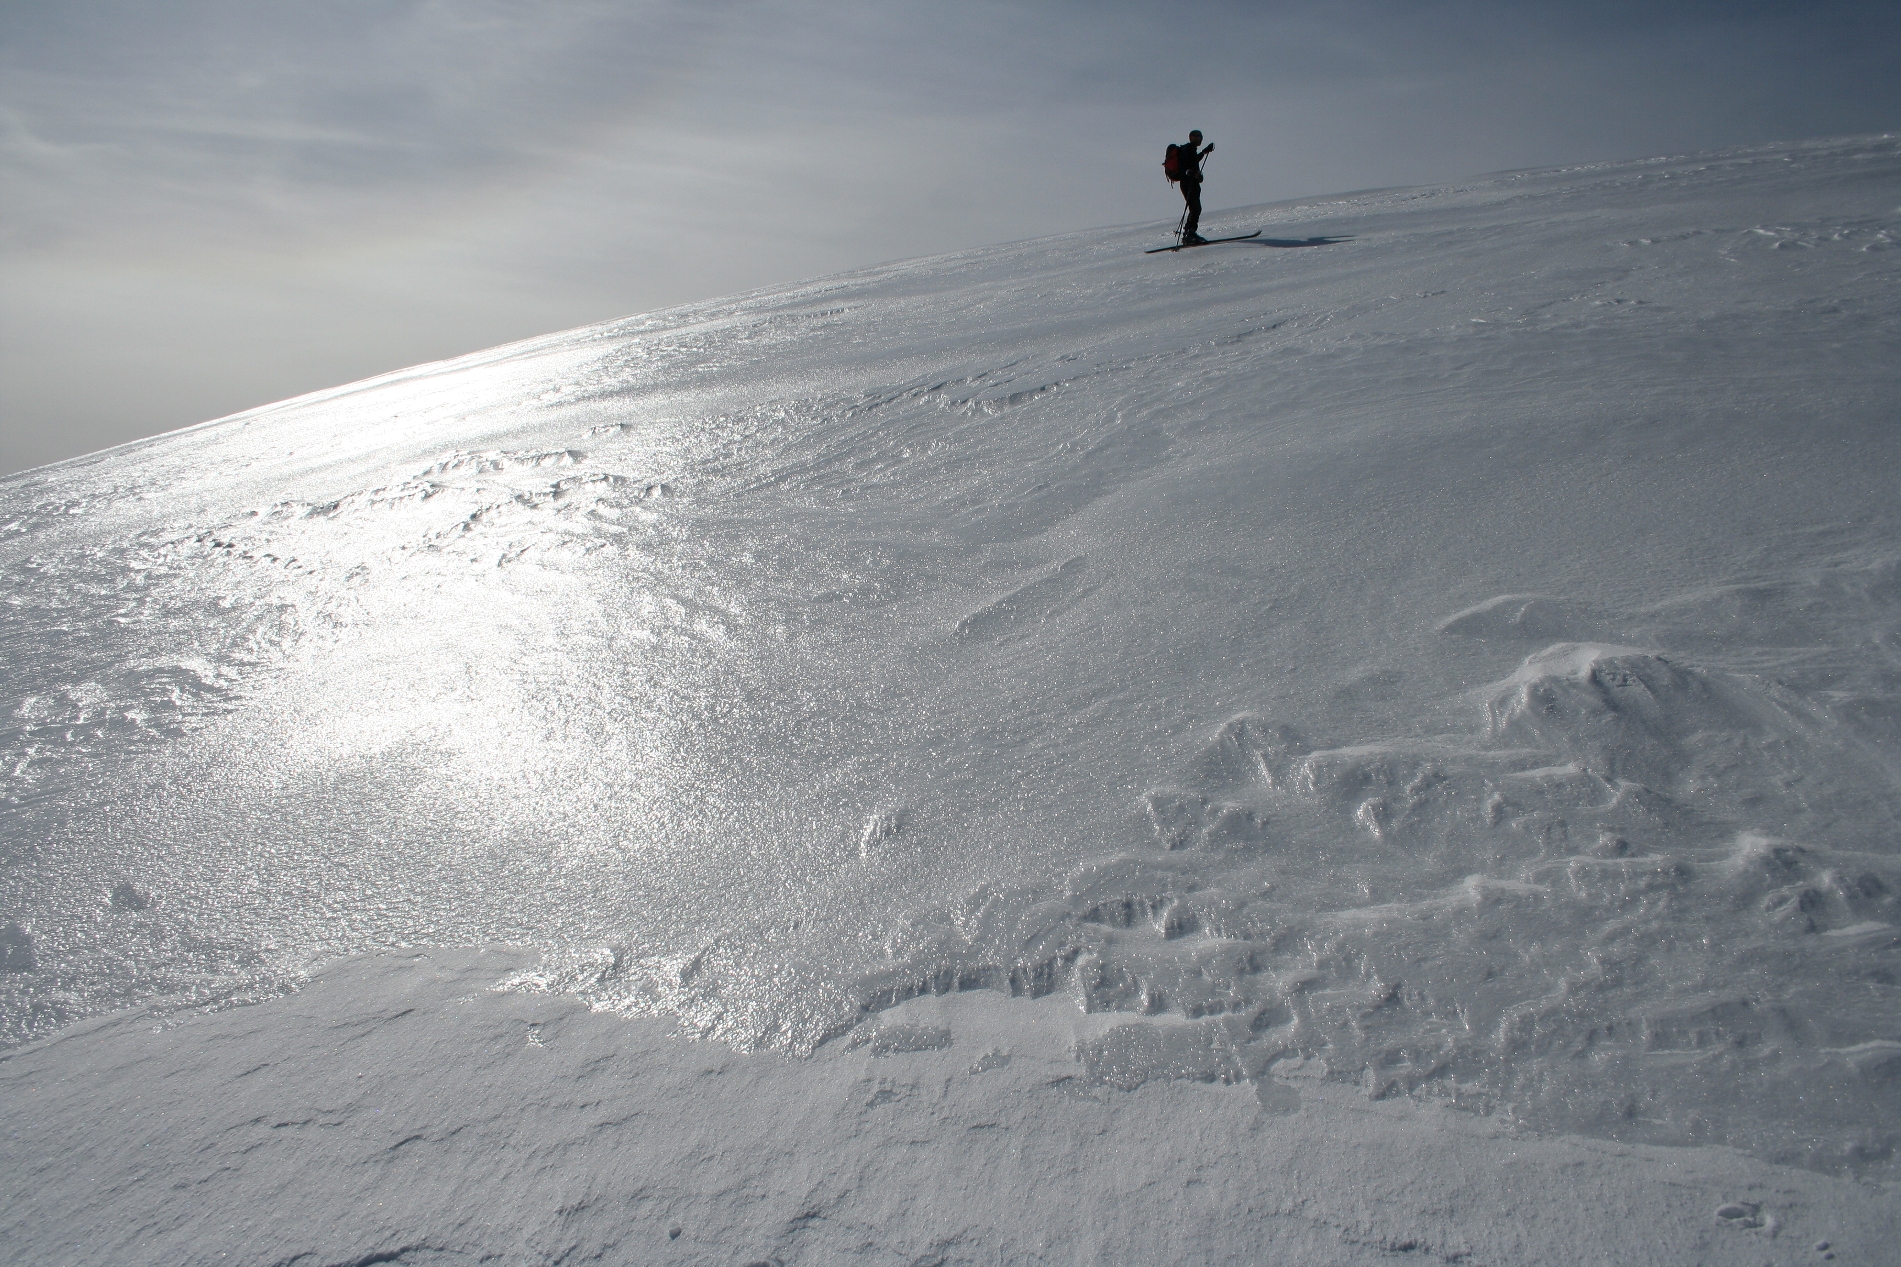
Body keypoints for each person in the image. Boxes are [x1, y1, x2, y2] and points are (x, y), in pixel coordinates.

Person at [1177, 130, 1214, 243]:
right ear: (1191, 137)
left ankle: (1189, 233)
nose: (1201, 138)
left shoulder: (1191, 150)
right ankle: (1189, 234)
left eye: (1201, 136)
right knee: (1195, 207)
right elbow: (1183, 165)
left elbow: (1193, 160)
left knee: (1195, 207)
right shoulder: (1187, 149)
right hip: (1188, 183)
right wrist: (1189, 172)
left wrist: (1204, 152)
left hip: (1191, 182)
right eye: (1198, 136)